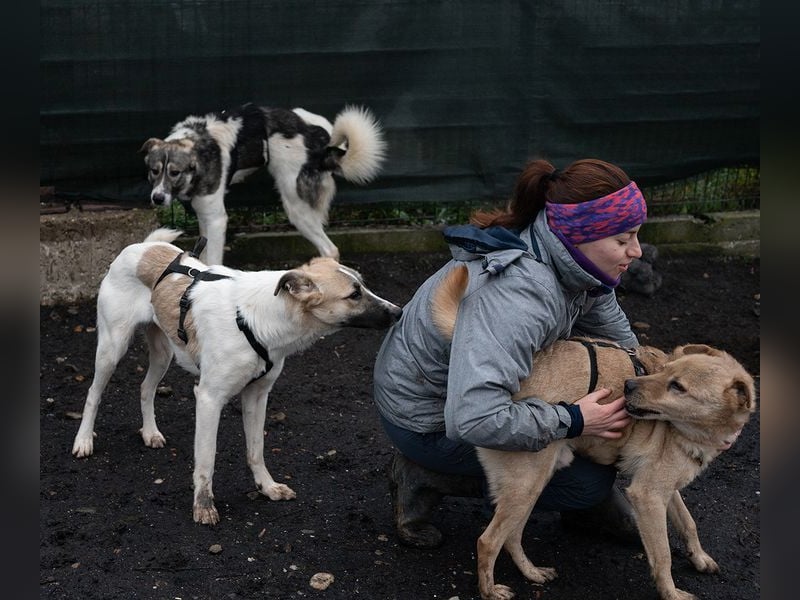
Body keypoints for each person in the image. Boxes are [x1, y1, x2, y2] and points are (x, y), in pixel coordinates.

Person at [373, 157, 647, 548]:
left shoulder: (581, 268)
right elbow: (474, 417)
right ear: (580, 234)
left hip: (467, 391)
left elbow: (623, 345)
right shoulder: (519, 297)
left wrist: (657, 387)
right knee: (586, 484)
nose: (635, 251)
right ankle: (422, 474)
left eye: (636, 236)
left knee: (609, 425)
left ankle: (588, 492)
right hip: (427, 417)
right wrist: (572, 420)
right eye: (622, 240)